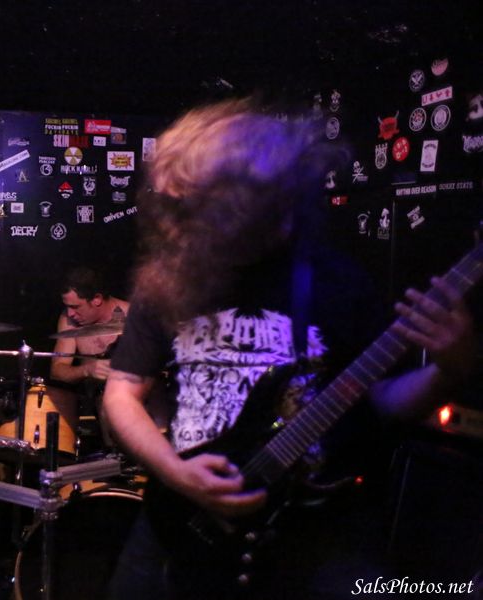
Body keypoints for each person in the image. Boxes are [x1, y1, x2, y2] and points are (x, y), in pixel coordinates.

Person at [103, 98, 476, 598]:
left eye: (204, 206)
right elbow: (122, 392)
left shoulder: (338, 280)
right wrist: (177, 473)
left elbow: (381, 402)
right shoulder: (170, 278)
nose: (183, 223)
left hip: (315, 536)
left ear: (263, 201)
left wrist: (450, 371)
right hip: (178, 525)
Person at [50, 266, 129, 384]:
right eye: (67, 306)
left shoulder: (134, 318)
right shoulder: (68, 318)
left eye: (75, 307)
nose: (70, 313)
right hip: (91, 393)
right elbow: (57, 371)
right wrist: (86, 370)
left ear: (97, 299)